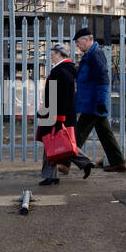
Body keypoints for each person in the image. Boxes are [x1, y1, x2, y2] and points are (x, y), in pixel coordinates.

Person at [72, 27, 126, 172]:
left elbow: (103, 80)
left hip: (93, 104)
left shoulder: (95, 55)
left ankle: (63, 163)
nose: (77, 45)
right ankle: (119, 162)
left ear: (86, 39)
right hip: (93, 103)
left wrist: (101, 103)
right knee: (105, 134)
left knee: (78, 135)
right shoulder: (89, 56)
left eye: (78, 42)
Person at [36, 43, 94, 185]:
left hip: (57, 113)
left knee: (57, 142)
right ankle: (52, 175)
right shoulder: (65, 69)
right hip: (57, 112)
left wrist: (58, 117)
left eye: (53, 53)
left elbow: (61, 97)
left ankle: (82, 163)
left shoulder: (61, 71)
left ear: (60, 54)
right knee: (53, 142)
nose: (51, 56)